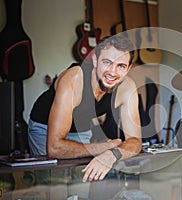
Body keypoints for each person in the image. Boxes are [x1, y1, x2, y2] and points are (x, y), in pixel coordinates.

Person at [28, 35, 142, 182]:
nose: (112, 72)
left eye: (121, 66)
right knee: (51, 184)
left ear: (128, 68)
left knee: (80, 184)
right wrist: (103, 148)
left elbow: (135, 141)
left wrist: (112, 154)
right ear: (95, 60)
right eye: (107, 62)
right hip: (45, 128)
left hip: (81, 130)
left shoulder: (127, 87)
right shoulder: (75, 79)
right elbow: (54, 148)